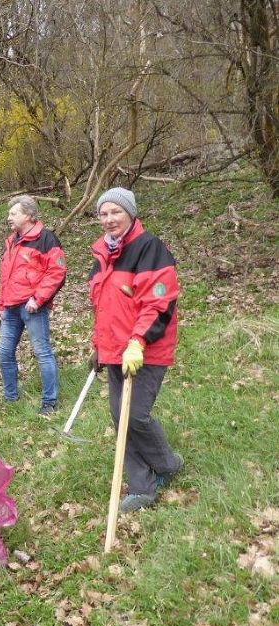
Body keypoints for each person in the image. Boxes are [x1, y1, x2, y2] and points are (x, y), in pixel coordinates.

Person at [90, 187, 183, 512]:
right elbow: (103, 307)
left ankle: (168, 465)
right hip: (115, 350)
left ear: (130, 212)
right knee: (120, 417)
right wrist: (99, 348)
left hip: (147, 349)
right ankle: (142, 486)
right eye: (103, 213)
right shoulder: (103, 254)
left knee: (135, 416)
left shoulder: (150, 248)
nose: (109, 219)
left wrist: (137, 341)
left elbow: (159, 303)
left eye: (116, 211)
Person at [0, 195, 66, 416]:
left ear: (28, 215)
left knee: (42, 352)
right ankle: (10, 398)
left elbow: (57, 272)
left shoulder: (46, 239)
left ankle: (49, 403)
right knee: (4, 353)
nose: (9, 218)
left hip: (32, 307)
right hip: (10, 308)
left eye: (13, 213)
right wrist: (0, 305)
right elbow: (5, 277)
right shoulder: (12, 241)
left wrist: (38, 299)